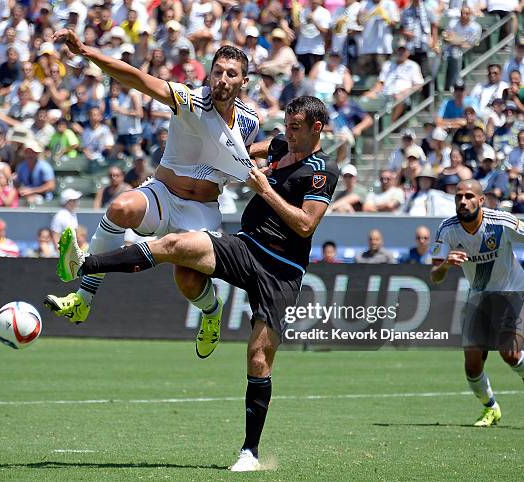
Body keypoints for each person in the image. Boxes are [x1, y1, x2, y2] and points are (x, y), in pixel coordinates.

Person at [51, 96, 339, 471]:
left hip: (280, 269)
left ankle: (250, 452)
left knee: (257, 359)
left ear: (317, 128)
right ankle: (84, 264)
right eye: (286, 124)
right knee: (175, 247)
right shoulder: (282, 145)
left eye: (296, 126)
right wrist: (192, 170)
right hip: (245, 246)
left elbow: (305, 224)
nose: (287, 132)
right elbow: (230, 152)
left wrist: (263, 188)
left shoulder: (323, 170)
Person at [45, 28, 261, 353]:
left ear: (243, 81)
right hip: (162, 193)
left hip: (201, 212)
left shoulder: (249, 121)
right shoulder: (188, 99)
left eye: (231, 74)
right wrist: (87, 52)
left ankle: (211, 313)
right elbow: (137, 78)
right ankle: (82, 300)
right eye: (217, 71)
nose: (222, 79)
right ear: (210, 73)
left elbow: (240, 154)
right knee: (120, 208)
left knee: (187, 282)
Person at [430, 180, 524, 427]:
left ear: (481, 200)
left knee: (510, 353)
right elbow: (435, 275)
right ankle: (490, 408)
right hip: (479, 297)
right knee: (472, 366)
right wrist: (446, 264)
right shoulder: (446, 229)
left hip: (512, 291)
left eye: (469, 196)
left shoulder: (502, 222)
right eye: (459, 197)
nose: (463, 201)